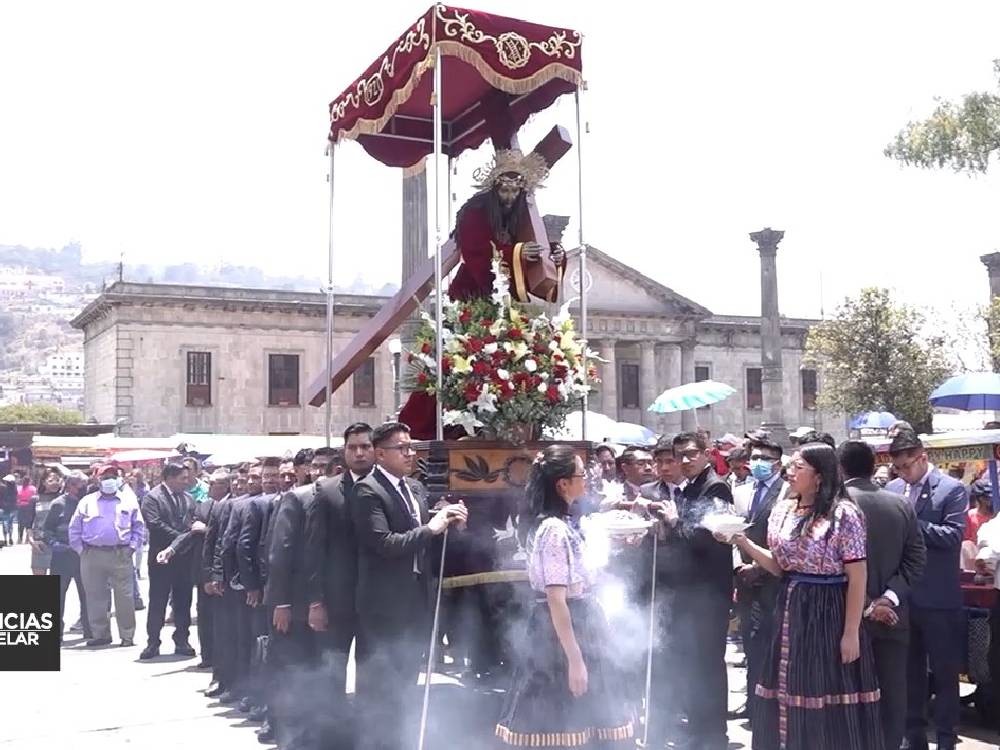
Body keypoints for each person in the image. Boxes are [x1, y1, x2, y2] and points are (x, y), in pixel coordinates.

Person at [397, 149, 566, 440]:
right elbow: (477, 253)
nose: (509, 197)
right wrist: (516, 253)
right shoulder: (475, 212)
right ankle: (431, 430)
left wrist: (555, 255)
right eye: (505, 190)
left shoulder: (522, 215)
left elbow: (533, 254)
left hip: (506, 304)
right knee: (455, 367)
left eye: (515, 190)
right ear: (494, 187)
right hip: (471, 296)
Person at [727, 442, 883, 750]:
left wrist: (851, 632)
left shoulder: (844, 514)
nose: (790, 472)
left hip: (828, 610)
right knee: (785, 684)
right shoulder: (783, 510)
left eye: (798, 467)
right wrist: (743, 542)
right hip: (790, 607)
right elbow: (779, 566)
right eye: (791, 466)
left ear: (819, 476)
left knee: (822, 687)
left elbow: (857, 575)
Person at [496, 444, 634, 747]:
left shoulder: (566, 523)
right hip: (560, 634)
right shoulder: (553, 530)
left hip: (581, 622)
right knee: (563, 721)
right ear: (563, 484)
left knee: (592, 723)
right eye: (582, 475)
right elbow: (557, 599)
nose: (587, 481)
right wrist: (575, 660)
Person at [350, 421, 467, 750]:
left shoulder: (414, 488)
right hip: (383, 607)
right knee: (380, 689)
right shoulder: (367, 491)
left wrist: (448, 519)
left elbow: (424, 533)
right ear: (380, 454)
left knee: (406, 686)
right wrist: (432, 528)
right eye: (401, 448)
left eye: (411, 447)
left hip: (416, 601)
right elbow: (385, 543)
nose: (410, 453)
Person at [839, 440, 927, 750]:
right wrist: (889, 598)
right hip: (892, 618)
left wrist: (868, 604)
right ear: (874, 466)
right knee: (893, 696)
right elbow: (916, 559)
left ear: (840, 468)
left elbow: (830, 565)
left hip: (845, 619)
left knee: (848, 697)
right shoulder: (900, 504)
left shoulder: (835, 506)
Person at [650, 431, 735, 750]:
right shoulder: (689, 487)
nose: (684, 461)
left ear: (706, 454)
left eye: (690, 454)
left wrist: (674, 522)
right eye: (680, 455)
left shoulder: (715, 487)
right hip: (688, 592)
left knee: (709, 663)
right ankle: (699, 728)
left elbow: (709, 540)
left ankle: (713, 734)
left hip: (708, 592)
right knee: (692, 663)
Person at [886, 431, 967, 750]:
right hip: (904, 597)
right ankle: (914, 736)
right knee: (910, 673)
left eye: (907, 466)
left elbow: (952, 536)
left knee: (945, 674)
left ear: (922, 458)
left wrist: (911, 522)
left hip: (939, 598)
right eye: (898, 468)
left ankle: (946, 737)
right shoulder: (893, 490)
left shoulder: (951, 489)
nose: (903, 473)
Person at [305, 432, 372, 715]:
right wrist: (316, 601)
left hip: (375, 601)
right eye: (352, 447)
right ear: (344, 452)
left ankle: (366, 731)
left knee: (372, 675)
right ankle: (331, 732)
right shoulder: (327, 491)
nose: (359, 453)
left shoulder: (390, 487)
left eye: (365, 446)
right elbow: (314, 549)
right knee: (331, 674)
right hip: (336, 601)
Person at [731, 436, 786, 724]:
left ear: (777, 463)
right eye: (754, 458)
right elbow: (733, 532)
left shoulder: (787, 492)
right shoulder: (741, 491)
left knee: (770, 644)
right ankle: (753, 703)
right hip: (744, 580)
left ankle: (769, 706)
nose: (757, 463)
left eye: (764, 458)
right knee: (750, 643)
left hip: (772, 580)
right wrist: (738, 566)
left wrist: (759, 568)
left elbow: (784, 539)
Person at [157, 468, 232, 669]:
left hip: (227, 571)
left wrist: (206, 530)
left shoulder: (235, 505)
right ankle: (208, 656)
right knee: (205, 614)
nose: (210, 487)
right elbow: (189, 533)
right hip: (203, 570)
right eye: (210, 483)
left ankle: (226, 658)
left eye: (215, 484)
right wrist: (171, 549)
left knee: (226, 617)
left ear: (226, 486)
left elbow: (230, 534)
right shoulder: (204, 507)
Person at [68, 463, 145, 647]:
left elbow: (139, 527)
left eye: (112, 477)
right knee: (95, 596)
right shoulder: (87, 501)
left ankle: (127, 636)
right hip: (92, 553)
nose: (109, 481)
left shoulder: (128, 500)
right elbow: (74, 528)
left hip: (121, 553)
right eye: (105, 477)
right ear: (98, 480)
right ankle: (100, 634)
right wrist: (81, 551)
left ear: (118, 479)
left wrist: (132, 548)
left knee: (124, 597)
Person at [140, 462, 197, 659]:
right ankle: (153, 642)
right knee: (158, 600)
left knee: (183, 600)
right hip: (160, 557)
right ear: (170, 478)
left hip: (184, 558)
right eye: (183, 478)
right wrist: (179, 539)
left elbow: (192, 522)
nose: (186, 482)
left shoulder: (188, 498)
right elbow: (155, 524)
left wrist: (182, 542)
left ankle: (182, 639)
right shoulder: (153, 498)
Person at [43, 472, 91, 641]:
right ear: (70, 486)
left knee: (87, 594)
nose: (84, 489)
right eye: (80, 486)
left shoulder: (88, 503)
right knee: (58, 595)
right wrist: (54, 544)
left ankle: (89, 630)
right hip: (62, 556)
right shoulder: (58, 504)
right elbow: (47, 529)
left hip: (83, 556)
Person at [29, 468, 62, 574]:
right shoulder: (35, 499)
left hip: (58, 544)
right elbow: (29, 522)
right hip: (40, 543)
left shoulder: (63, 499)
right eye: (51, 480)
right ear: (43, 482)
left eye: (57, 480)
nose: (55, 483)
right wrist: (31, 541)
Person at [962, 478, 994, 571]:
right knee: (966, 545)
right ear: (980, 498)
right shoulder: (970, 516)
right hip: (976, 557)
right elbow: (967, 543)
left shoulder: (997, 515)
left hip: (995, 554)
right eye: (987, 498)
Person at [15, 471, 36, 544]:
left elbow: (17, 497)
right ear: (29, 481)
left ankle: (20, 538)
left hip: (20, 506)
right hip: (29, 507)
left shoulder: (19, 488)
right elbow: (34, 497)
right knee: (29, 523)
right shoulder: (32, 488)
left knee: (20, 523)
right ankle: (27, 539)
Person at [0, 474, 16, 545]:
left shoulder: (3, 489)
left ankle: (5, 539)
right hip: (12, 508)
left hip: (4, 508)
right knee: (10, 524)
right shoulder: (15, 489)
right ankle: (10, 537)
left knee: (5, 523)